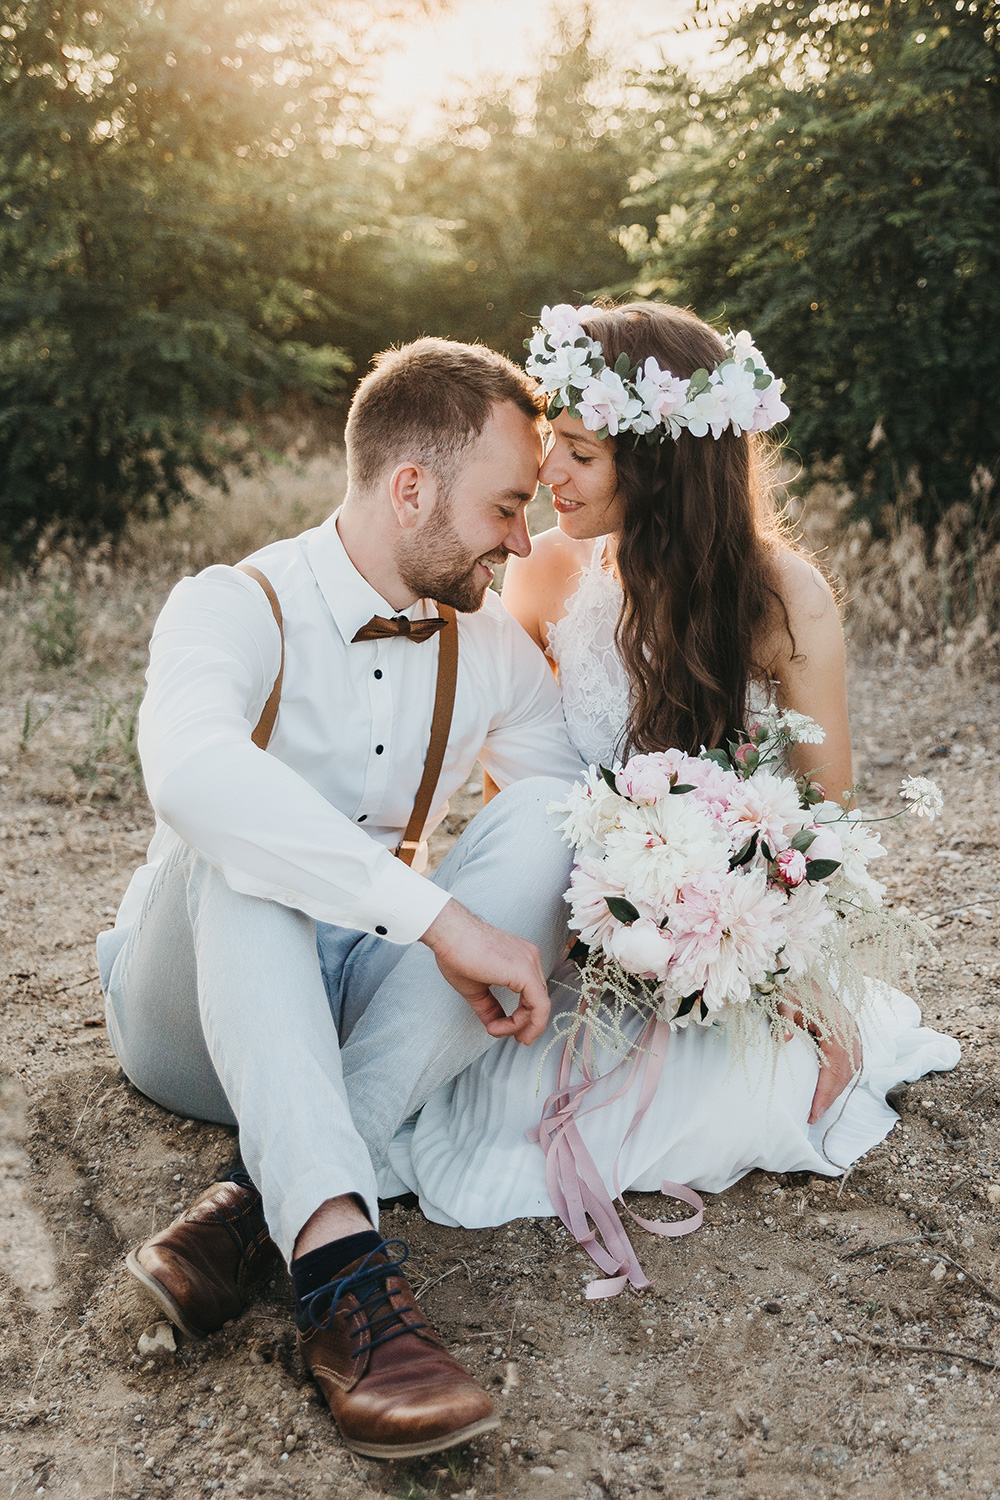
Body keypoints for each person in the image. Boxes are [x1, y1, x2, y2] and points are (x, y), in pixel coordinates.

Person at [366, 302, 960, 1286]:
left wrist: (766, 949)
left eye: (580, 453)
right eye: (549, 444)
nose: (546, 474)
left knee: (760, 1087)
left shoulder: (779, 597)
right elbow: (521, 798)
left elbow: (825, 826)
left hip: (724, 942)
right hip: (578, 920)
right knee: (496, 1090)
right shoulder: (545, 576)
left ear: (662, 468)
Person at [97, 337, 586, 1459]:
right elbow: (190, 775)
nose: (524, 540)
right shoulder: (231, 603)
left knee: (557, 824)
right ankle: (339, 1271)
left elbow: (564, 809)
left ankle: (248, 1212)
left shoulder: (491, 644)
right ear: (410, 487)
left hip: (347, 1008)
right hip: (188, 1013)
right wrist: (438, 918)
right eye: (506, 507)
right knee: (247, 829)